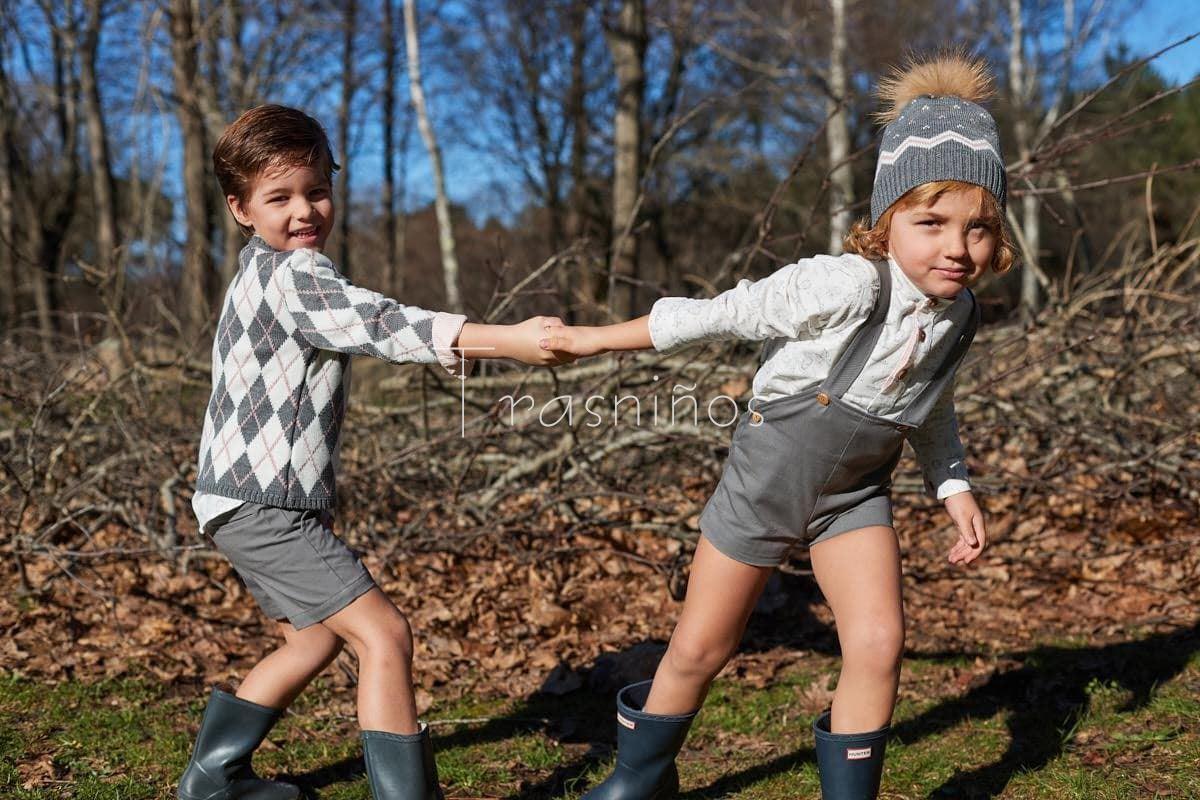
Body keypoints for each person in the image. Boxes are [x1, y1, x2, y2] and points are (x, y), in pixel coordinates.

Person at [537, 52, 1017, 800]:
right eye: (932, 222)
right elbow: (720, 313)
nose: (958, 247)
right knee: (703, 645)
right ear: (888, 221)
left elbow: (930, 408)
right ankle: (636, 781)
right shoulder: (846, 284)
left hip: (854, 497)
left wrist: (952, 486)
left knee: (878, 641)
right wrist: (595, 338)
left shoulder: (960, 316)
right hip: (767, 481)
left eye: (979, 227)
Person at [178, 104, 571, 800]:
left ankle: (214, 781)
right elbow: (378, 322)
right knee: (384, 636)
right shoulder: (294, 275)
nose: (304, 211)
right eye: (279, 198)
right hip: (263, 504)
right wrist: (500, 338)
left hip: (237, 499)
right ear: (240, 208)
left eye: (317, 190)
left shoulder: (257, 272)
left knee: (312, 640)